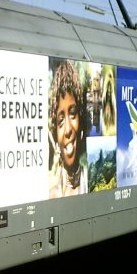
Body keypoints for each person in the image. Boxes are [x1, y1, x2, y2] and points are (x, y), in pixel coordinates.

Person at [48, 60, 89, 197]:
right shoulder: (51, 194)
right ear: (55, 135)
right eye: (60, 120)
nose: (67, 130)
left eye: (72, 114)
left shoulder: (91, 184)